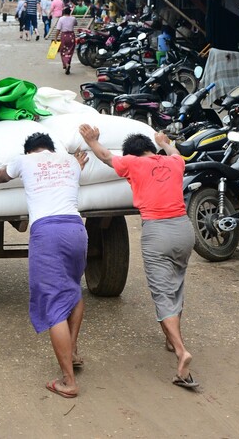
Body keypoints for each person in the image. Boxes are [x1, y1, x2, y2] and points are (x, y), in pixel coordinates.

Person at [0, 134, 89, 399]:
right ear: (51, 148)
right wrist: (75, 164)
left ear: (30, 150)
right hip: (76, 229)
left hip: (48, 233)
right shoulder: (70, 162)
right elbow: (78, 169)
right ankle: (73, 349)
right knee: (73, 290)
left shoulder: (23, 161)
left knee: (53, 305)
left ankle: (68, 381)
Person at [79, 125, 199, 390]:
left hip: (157, 232)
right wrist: (164, 142)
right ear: (152, 149)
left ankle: (181, 351)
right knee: (176, 282)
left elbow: (105, 157)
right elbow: (176, 152)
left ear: (132, 152)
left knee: (161, 292)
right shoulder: (173, 162)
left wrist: (92, 140)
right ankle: (171, 339)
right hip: (184, 229)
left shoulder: (132, 162)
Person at [54, 6, 77, 75]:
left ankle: (66, 64)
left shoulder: (61, 19)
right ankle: (68, 63)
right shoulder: (73, 18)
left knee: (63, 51)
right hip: (71, 36)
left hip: (64, 36)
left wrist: (55, 38)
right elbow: (76, 24)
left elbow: (58, 29)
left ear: (63, 12)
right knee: (70, 51)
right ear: (70, 12)